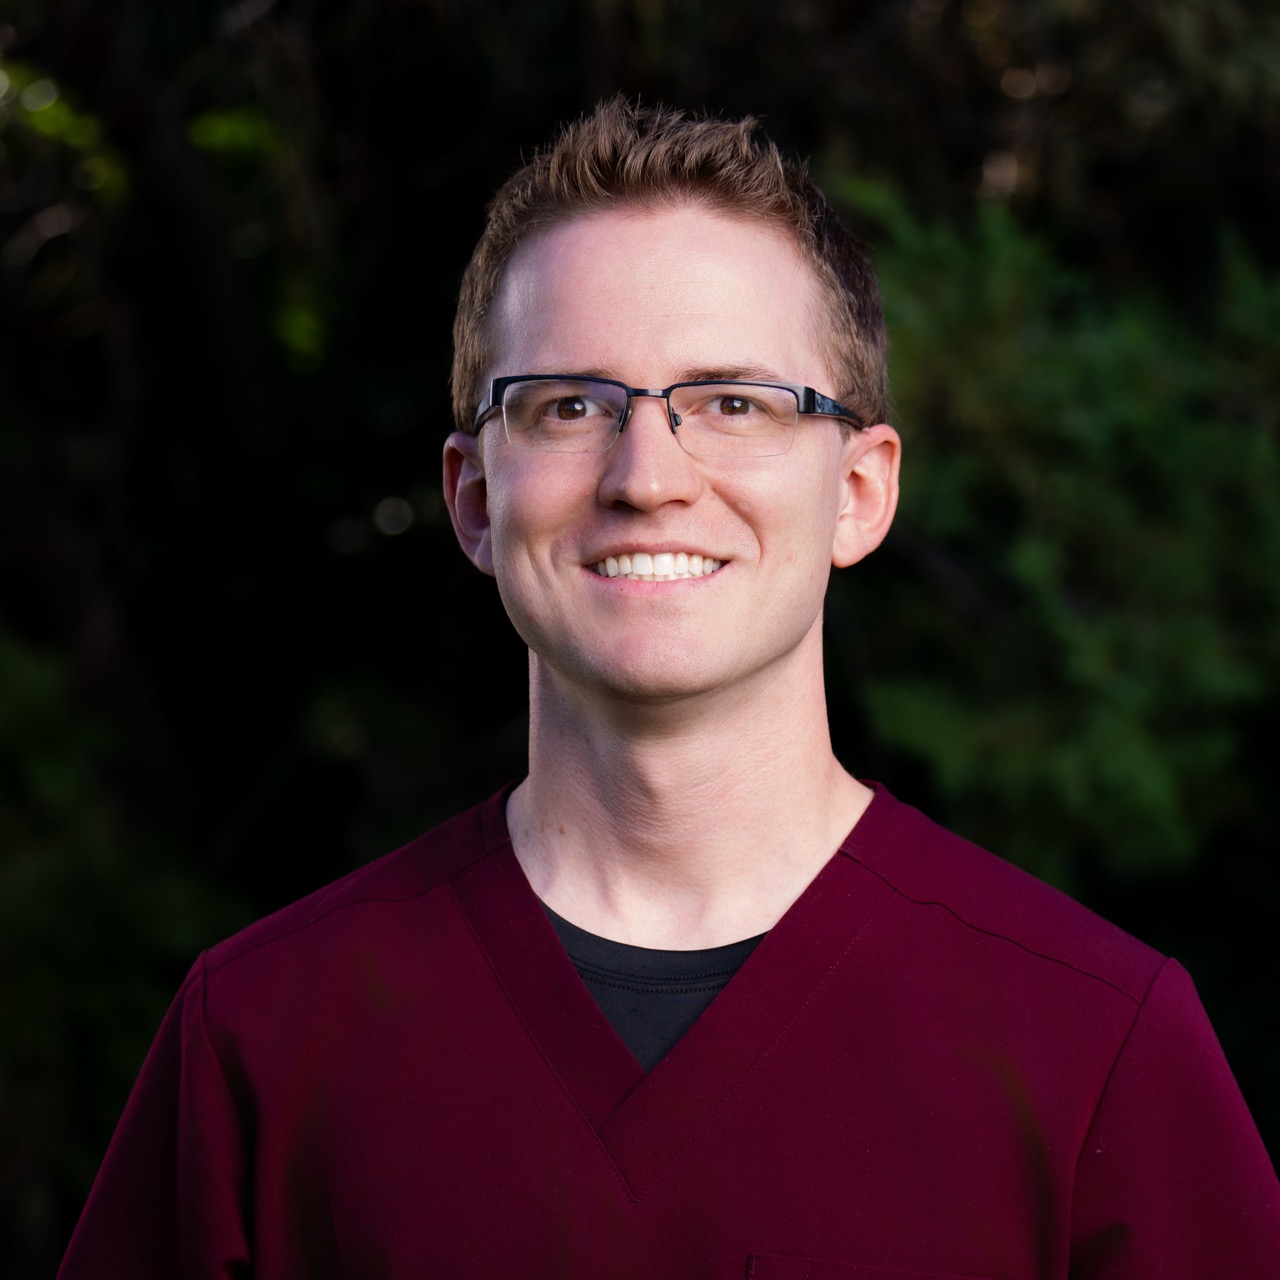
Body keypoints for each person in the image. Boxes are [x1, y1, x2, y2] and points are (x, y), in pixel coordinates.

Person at [59, 96, 1278, 1279]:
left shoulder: (1095, 1044)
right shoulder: (261, 1038)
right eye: (569, 404)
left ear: (858, 490)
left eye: (733, 402)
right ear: (474, 496)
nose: (647, 475)